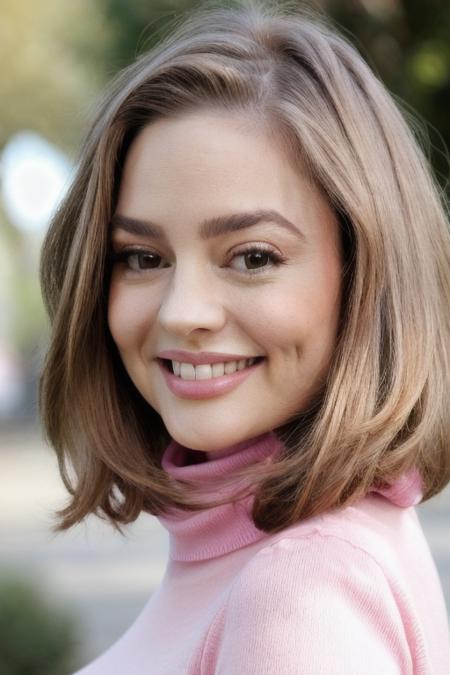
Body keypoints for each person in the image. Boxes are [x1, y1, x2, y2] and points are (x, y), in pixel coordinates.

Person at [39, 1, 450, 672]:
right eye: (144, 257)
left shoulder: (299, 594)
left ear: (365, 273)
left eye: (253, 256)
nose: (183, 312)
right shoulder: (298, 560)